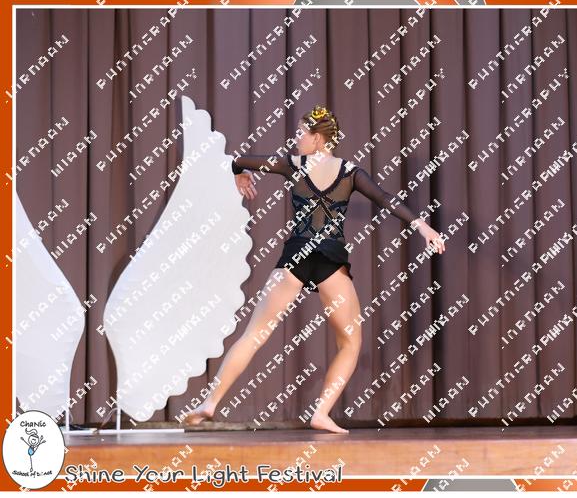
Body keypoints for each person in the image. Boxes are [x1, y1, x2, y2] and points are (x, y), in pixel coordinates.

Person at [181, 105, 445, 434]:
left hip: (296, 257)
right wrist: (423, 226)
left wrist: (238, 174)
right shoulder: (350, 172)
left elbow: (238, 160)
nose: (296, 138)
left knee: (254, 335)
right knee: (350, 343)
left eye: (301, 133)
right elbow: (385, 199)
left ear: (318, 139)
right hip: (330, 261)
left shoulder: (292, 165)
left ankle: (210, 403)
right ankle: (320, 412)